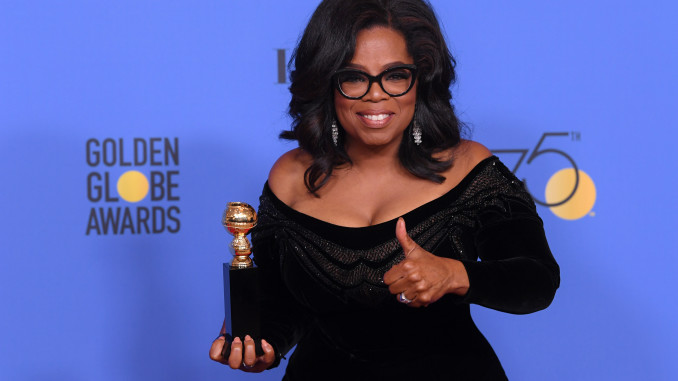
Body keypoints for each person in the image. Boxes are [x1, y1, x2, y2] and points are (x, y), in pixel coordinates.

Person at [210, 0, 560, 379]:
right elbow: (285, 303)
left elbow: (537, 281)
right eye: (355, 77)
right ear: (328, 83)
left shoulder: (467, 167)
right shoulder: (290, 175)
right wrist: (264, 345)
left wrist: (455, 274)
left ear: (420, 79)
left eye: (394, 75)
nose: (376, 95)